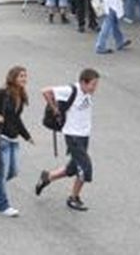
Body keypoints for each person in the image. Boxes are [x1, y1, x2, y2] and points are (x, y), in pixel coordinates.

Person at [34, 68, 100, 211]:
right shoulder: (70, 90)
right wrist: (55, 109)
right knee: (85, 168)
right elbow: (45, 91)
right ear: (83, 82)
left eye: (96, 84)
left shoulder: (86, 93)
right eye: (93, 84)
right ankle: (73, 198)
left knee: (73, 168)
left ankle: (47, 177)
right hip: (73, 135)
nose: (95, 88)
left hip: (84, 135)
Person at [0, 65, 35, 217]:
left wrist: (27, 136)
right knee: (2, 174)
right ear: (13, 78)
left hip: (13, 139)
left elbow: (16, 118)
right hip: (0, 138)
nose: (24, 79)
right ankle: (3, 206)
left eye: (25, 76)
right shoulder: (1, 93)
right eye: (21, 76)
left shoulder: (20, 95)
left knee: (13, 172)